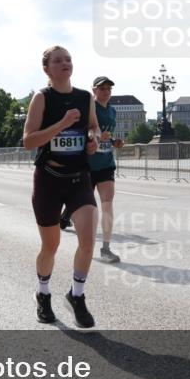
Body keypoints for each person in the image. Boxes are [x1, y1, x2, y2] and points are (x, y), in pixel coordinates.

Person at [22, 45, 100, 328]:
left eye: (68, 59)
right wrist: (63, 123)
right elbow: (29, 141)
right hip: (48, 180)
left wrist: (94, 139)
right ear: (47, 69)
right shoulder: (42, 98)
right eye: (57, 60)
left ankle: (77, 295)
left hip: (79, 177)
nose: (64, 63)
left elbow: (93, 127)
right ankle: (43, 294)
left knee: (88, 240)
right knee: (50, 245)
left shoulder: (84, 97)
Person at [61, 76, 124, 263]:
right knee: (86, 208)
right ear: (94, 90)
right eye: (102, 88)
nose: (106, 91)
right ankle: (81, 241)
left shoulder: (112, 111)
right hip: (87, 164)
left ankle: (105, 248)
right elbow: (79, 132)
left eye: (108, 89)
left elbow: (106, 135)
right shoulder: (88, 108)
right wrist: (95, 136)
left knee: (107, 203)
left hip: (106, 162)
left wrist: (114, 142)